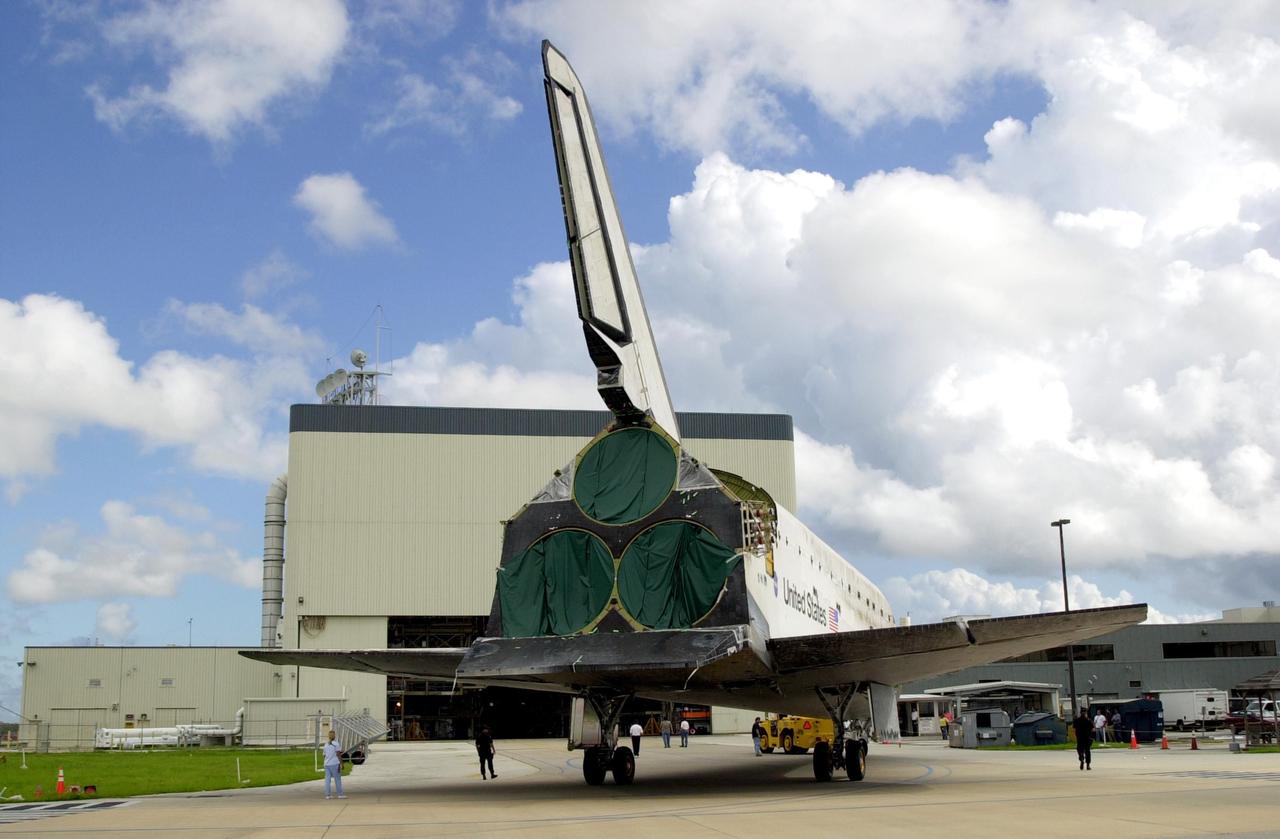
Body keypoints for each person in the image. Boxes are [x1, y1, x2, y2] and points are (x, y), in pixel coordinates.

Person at [323, 729, 346, 799]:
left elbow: (324, 755)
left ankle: (328, 795)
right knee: (337, 779)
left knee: (327, 780)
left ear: (329, 736)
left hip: (327, 764)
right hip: (335, 764)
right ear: (334, 736)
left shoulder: (326, 745)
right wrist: (342, 763)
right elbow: (338, 754)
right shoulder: (336, 744)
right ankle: (340, 794)